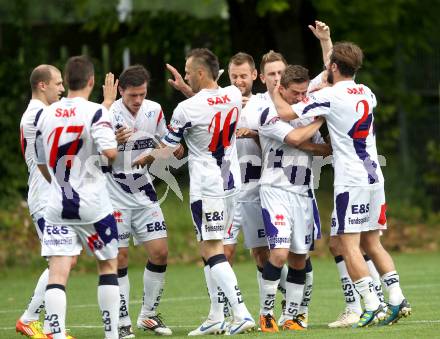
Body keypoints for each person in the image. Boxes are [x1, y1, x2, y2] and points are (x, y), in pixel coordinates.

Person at [273, 41, 412, 327]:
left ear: (334, 66)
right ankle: (397, 299)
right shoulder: (367, 92)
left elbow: (287, 114)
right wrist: (328, 44)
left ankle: (372, 305)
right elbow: (342, 80)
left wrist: (275, 91)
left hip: (351, 179)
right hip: (374, 174)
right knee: (372, 242)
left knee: (348, 244)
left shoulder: (330, 96)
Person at [135, 48, 256, 336]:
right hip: (230, 184)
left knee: (211, 250)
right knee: (212, 248)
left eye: (189, 70)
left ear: (201, 73)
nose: (185, 74)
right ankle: (215, 316)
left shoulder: (185, 109)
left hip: (208, 187)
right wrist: (188, 89)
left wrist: (145, 158)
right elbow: (208, 107)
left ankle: (240, 313)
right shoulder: (232, 95)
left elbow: (168, 147)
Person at [35, 55, 120, 339]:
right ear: (92, 81)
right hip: (93, 204)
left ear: (67, 82)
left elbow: (41, 162)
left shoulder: (45, 114)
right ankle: (112, 333)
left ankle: (56, 335)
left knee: (58, 273)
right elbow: (109, 153)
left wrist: (59, 183)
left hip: (58, 204)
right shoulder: (97, 112)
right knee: (107, 265)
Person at [257, 64, 331, 332]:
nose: (301, 98)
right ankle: (266, 314)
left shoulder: (303, 112)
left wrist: (310, 140)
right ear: (282, 89)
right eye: (295, 93)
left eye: (304, 93)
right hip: (275, 191)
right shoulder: (269, 114)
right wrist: (320, 117)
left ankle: (291, 316)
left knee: (299, 258)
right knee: (278, 253)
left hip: (302, 192)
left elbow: (325, 148)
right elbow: (297, 137)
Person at [106, 65, 177, 337]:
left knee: (160, 252)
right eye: (132, 95)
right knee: (120, 257)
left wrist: (154, 156)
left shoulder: (154, 109)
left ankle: (147, 315)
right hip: (113, 196)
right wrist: (111, 142)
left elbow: (167, 148)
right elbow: (88, 158)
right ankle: (121, 322)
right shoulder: (108, 112)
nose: (137, 100)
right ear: (121, 90)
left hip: (143, 191)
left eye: (142, 94)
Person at [17, 65, 72, 339]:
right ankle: (33, 320)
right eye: (58, 83)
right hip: (45, 198)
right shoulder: (38, 115)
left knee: (64, 260)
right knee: (59, 260)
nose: (62, 89)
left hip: (53, 197)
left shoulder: (41, 112)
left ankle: (48, 325)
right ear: (42, 85)